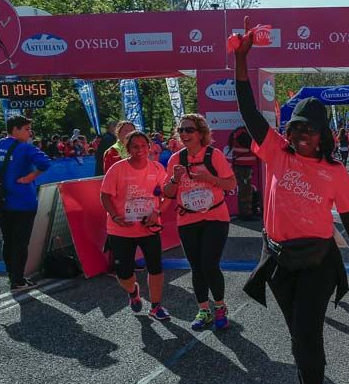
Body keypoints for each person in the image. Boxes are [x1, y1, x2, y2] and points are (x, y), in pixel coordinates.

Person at [232, 18, 349, 384]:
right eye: (294, 128)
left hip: (318, 263)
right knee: (298, 334)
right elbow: (247, 109)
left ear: (324, 135)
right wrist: (241, 59)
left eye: (308, 129)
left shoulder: (334, 173)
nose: (299, 135)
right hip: (277, 261)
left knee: (307, 334)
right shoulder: (275, 152)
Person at [163, 114, 236, 331]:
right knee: (196, 267)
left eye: (189, 130)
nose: (185, 134)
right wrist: (176, 179)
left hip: (215, 216)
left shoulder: (214, 155)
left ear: (201, 133)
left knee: (209, 264)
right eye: (182, 130)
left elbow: (230, 183)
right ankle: (204, 309)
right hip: (187, 219)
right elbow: (167, 193)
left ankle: (220, 307)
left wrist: (209, 178)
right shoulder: (175, 159)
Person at [100, 132, 170, 320]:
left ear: (149, 147)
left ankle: (156, 306)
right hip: (121, 229)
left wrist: (158, 212)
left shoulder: (157, 168)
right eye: (135, 147)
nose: (140, 150)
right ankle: (133, 292)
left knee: (156, 267)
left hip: (149, 227)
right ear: (128, 149)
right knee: (124, 274)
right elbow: (105, 195)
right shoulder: (117, 169)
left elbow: (167, 195)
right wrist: (115, 216)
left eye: (143, 146)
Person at [0, 115, 51, 292]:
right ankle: (17, 280)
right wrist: (30, 177)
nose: (30, 132)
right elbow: (45, 162)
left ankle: (12, 275)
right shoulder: (25, 147)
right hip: (23, 202)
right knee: (20, 242)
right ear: (15, 130)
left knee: (8, 240)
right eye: (27, 129)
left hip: (0, 203)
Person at [228, 125, 257, 220]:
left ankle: (244, 213)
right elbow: (250, 144)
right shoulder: (243, 134)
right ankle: (246, 214)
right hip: (243, 167)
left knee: (244, 190)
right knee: (246, 191)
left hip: (241, 165)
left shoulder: (238, 133)